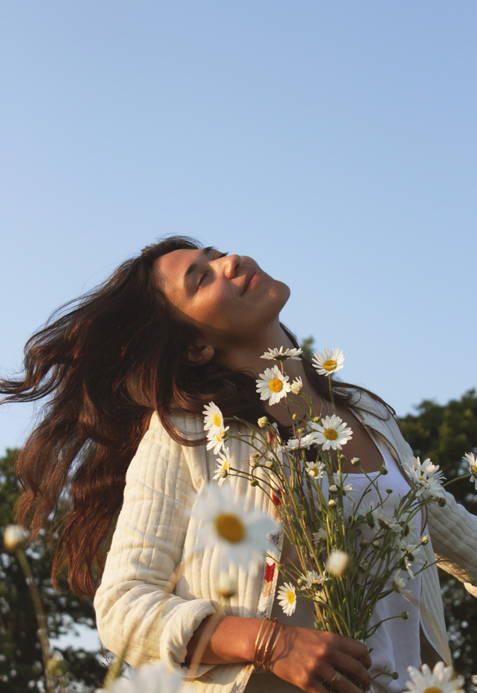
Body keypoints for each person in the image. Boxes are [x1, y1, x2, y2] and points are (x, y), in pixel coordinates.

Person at [2, 236, 477, 693]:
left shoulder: (368, 415)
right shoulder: (188, 434)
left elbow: (456, 534)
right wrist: (272, 644)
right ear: (195, 348)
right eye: (201, 278)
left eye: (216, 253)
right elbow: (124, 606)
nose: (230, 261)